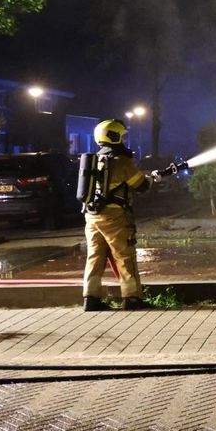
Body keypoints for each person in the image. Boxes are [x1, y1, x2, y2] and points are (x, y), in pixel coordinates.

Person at [81, 118, 155, 312]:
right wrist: (150, 178)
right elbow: (142, 185)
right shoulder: (122, 161)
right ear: (114, 137)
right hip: (115, 217)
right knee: (124, 256)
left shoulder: (95, 160)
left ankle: (91, 298)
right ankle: (132, 298)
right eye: (122, 137)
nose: (124, 141)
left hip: (92, 217)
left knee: (95, 257)